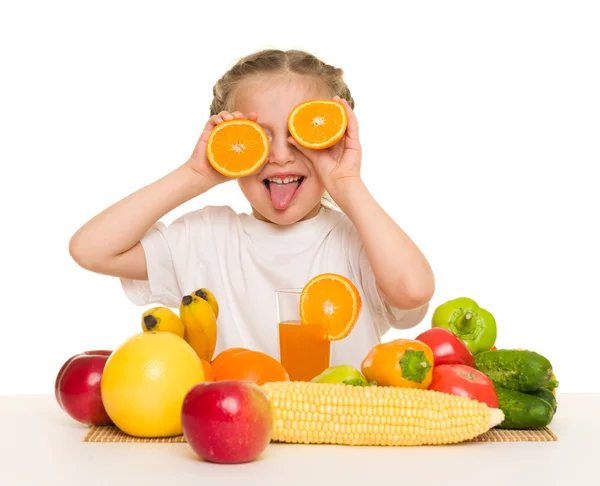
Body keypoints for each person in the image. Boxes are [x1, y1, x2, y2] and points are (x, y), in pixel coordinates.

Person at [68, 48, 435, 369]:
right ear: (228, 144)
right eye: (258, 137)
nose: (278, 155)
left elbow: (413, 290)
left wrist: (346, 183)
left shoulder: (359, 241)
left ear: (334, 137)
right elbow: (91, 249)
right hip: (231, 434)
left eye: (301, 135)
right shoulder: (205, 237)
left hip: (340, 446)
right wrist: (196, 174)